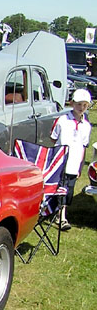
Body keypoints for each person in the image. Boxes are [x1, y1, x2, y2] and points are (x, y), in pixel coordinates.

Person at [50, 88, 92, 230]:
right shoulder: (62, 120)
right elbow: (53, 140)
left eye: (85, 105)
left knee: (69, 191)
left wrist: (80, 166)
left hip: (74, 162)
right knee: (60, 187)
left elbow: (84, 146)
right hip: (61, 161)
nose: (81, 108)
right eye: (79, 104)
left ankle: (60, 213)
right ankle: (61, 217)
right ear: (72, 103)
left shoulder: (86, 126)